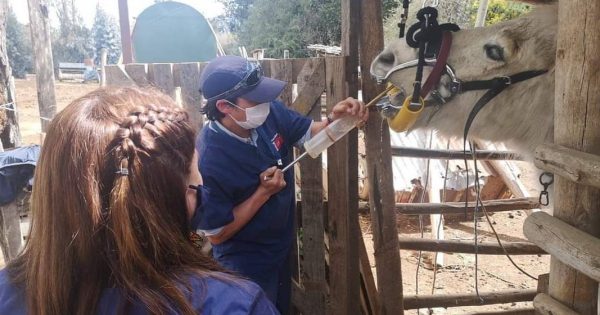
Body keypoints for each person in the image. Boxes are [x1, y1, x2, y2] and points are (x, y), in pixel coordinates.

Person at [0, 87, 279, 315]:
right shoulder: (234, 305)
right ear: (176, 198)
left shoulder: (6, 294)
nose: (203, 185)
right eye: (195, 178)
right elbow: (215, 237)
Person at [196, 55, 368, 314]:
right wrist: (262, 194)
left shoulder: (268, 113)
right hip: (244, 263)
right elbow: (217, 234)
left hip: (279, 249)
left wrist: (336, 119)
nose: (264, 103)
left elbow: (309, 134)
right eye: (254, 99)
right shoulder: (209, 157)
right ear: (225, 106)